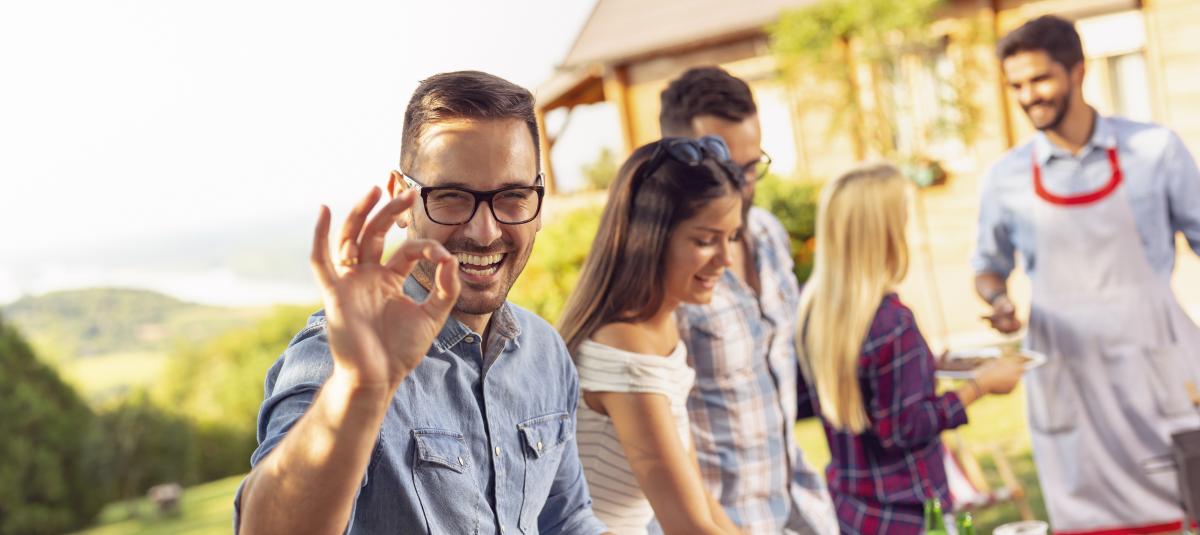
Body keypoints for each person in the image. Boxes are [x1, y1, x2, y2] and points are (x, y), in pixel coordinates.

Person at [234, 71, 609, 535]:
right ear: (401, 198)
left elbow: (565, 521)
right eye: (451, 197)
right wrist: (359, 388)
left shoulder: (545, 352)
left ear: (538, 198)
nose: (485, 231)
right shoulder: (334, 357)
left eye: (512, 197)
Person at [974, 15, 1200, 533]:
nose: (1028, 96)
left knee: (1179, 512)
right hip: (1067, 378)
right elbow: (987, 268)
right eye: (1016, 86)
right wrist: (998, 302)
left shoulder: (1155, 151)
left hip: (1155, 372)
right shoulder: (1005, 177)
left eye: (1040, 79)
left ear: (1078, 71)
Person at [797, 163, 1024, 534]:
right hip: (911, 515)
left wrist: (929, 366)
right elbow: (902, 427)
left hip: (854, 512)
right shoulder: (891, 320)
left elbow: (869, 390)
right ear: (883, 234)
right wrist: (980, 386)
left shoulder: (817, 311)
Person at [657, 66, 837, 534]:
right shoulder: (660, 272)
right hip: (719, 522)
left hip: (796, 505)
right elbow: (658, 444)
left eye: (753, 167)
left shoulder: (769, 235)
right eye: (729, 171)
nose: (744, 186)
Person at [558, 136, 746, 535]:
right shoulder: (623, 347)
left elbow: (699, 501)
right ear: (651, 238)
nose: (726, 258)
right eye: (704, 240)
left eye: (730, 237)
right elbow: (687, 526)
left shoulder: (659, 329)